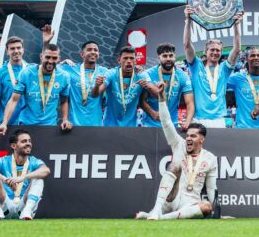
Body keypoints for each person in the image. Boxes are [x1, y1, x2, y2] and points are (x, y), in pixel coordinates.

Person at [135, 91, 218, 220]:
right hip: (172, 198)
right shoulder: (179, 144)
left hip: (190, 203)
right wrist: (161, 98)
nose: (188, 138)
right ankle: (156, 210)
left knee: (207, 206)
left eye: (193, 136)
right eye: (188, 135)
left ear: (202, 139)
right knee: (175, 165)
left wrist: (218, 215)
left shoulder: (210, 158)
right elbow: (166, 122)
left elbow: (212, 188)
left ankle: (159, 217)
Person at [183, 5, 243, 128]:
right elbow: (187, 45)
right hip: (199, 118)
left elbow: (237, 50)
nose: (215, 52)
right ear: (205, 51)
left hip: (219, 119)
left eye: (218, 50)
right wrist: (188, 20)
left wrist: (237, 26)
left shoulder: (224, 69)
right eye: (212, 50)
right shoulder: (196, 66)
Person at [0, 44, 72, 134]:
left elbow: (64, 101)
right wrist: (4, 123)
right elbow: (14, 100)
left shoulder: (64, 76)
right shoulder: (27, 73)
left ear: (59, 58)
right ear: (41, 57)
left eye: (54, 58)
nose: (50, 61)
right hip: (26, 124)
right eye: (47, 57)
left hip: (49, 125)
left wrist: (65, 119)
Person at [0, 129, 50, 220]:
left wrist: (24, 177)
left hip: (24, 205)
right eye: (24, 141)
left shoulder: (33, 161)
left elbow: (46, 170)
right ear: (14, 146)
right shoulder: (4, 160)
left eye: (29, 141)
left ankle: (27, 210)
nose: (28, 144)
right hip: (5, 206)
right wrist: (4, 178)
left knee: (38, 177)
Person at [92, 47, 157, 127]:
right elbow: (95, 94)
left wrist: (148, 86)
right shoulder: (111, 74)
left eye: (132, 58)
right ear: (119, 60)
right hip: (109, 126)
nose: (129, 61)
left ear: (136, 61)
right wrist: (96, 86)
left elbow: (157, 95)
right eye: (125, 58)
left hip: (132, 126)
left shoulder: (141, 75)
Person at [141, 43, 194, 129]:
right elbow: (142, 100)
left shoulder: (183, 76)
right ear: (159, 58)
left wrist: (188, 122)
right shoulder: (148, 74)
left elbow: (190, 102)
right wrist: (152, 113)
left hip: (172, 125)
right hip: (150, 124)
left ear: (175, 57)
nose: (168, 59)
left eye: (171, 56)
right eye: (165, 56)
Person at [60, 41, 109, 126]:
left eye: (95, 50)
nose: (93, 52)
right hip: (74, 125)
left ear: (98, 54)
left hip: (96, 125)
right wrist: (61, 63)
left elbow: (121, 74)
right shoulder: (71, 68)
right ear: (82, 54)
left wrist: (139, 69)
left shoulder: (104, 72)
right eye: (89, 50)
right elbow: (48, 68)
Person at [227, 46, 259, 129]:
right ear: (247, 59)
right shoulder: (236, 78)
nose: (256, 57)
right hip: (242, 128)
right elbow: (220, 82)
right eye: (252, 55)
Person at [0, 36, 27, 125]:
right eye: (12, 48)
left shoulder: (30, 71)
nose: (16, 51)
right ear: (7, 51)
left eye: (19, 48)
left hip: (28, 123)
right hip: (7, 124)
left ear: (23, 50)